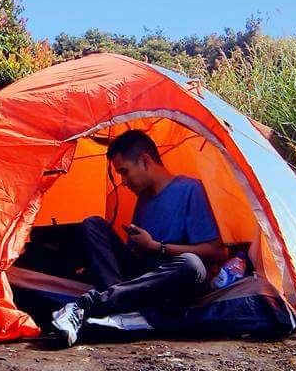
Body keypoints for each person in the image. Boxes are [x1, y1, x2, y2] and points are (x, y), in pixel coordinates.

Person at [51, 129, 226, 346]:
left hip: (170, 282)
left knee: (192, 265)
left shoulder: (189, 189)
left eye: (124, 172)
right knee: (93, 225)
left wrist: (157, 247)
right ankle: (117, 309)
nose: (123, 181)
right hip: (140, 279)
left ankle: (93, 305)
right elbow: (134, 255)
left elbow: (217, 251)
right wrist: (137, 248)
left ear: (145, 161)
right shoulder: (143, 198)